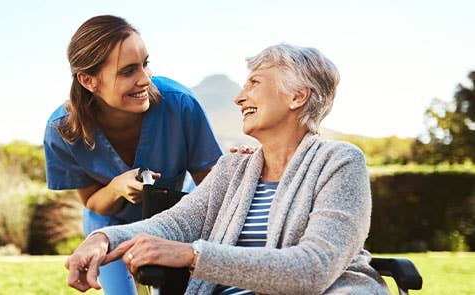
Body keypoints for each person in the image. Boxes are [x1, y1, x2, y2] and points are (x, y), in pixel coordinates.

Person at [65, 43, 390, 294]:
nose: (238, 98)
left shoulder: (339, 162)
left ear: (297, 96)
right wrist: (103, 238)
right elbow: (172, 225)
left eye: (254, 83)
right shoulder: (235, 168)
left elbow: (313, 268)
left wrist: (193, 256)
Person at [44, 15, 223, 294]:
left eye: (145, 64)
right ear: (88, 80)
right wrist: (116, 187)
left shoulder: (180, 105)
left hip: (174, 217)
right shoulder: (62, 131)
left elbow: (214, 189)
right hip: (108, 224)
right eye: (128, 71)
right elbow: (93, 202)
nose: (144, 79)